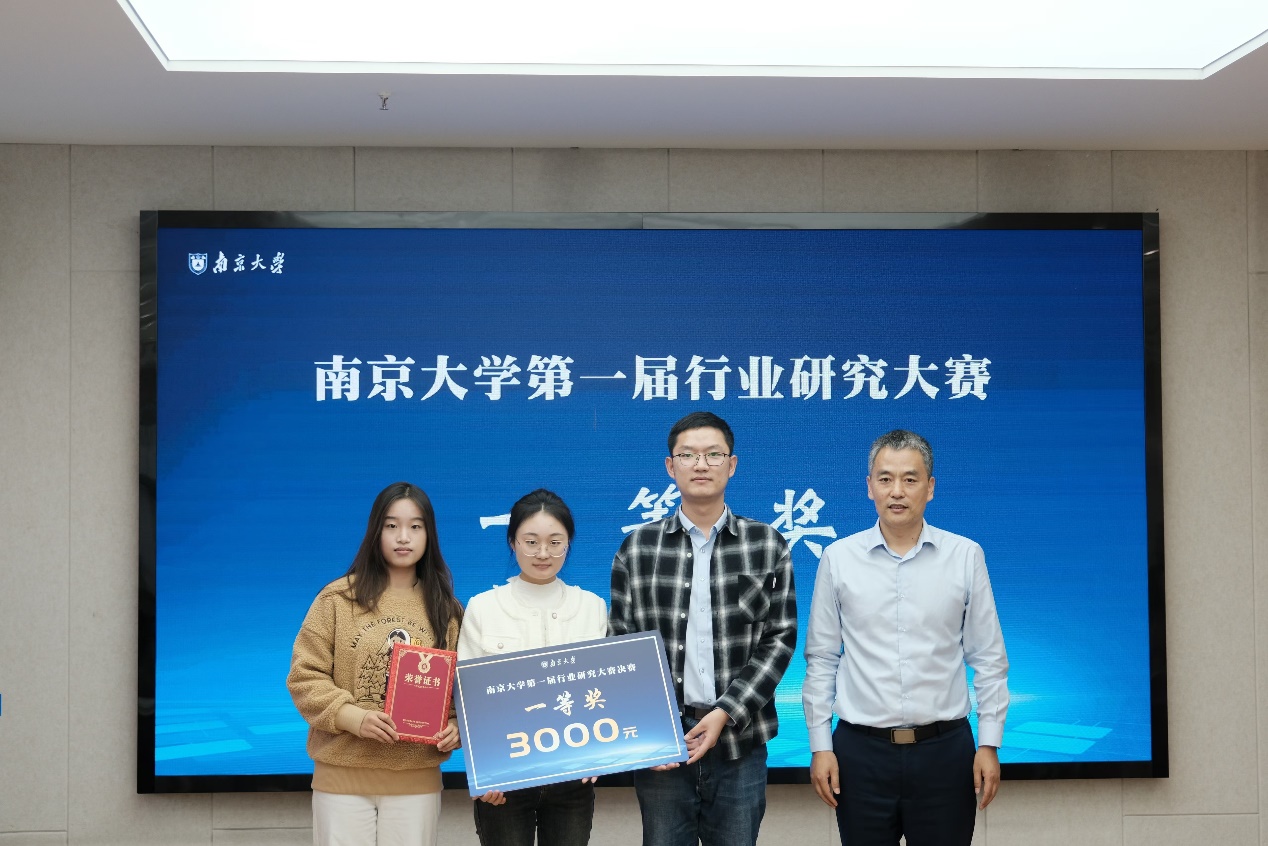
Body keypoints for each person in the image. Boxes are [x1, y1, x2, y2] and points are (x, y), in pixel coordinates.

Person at [802, 430, 1010, 846]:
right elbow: (822, 658)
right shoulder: (838, 558)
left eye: (910, 479)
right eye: (885, 478)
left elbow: (988, 657)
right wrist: (820, 746)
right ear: (870, 487)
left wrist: (989, 743)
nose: (897, 491)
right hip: (861, 754)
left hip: (945, 752)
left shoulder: (965, 555)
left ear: (929, 488)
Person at [609, 411, 797, 846]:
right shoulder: (638, 547)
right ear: (670, 466)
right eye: (688, 455)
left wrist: (725, 711)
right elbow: (620, 643)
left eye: (713, 454)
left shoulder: (766, 543)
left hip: (740, 742)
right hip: (664, 746)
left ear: (732, 465)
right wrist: (647, 731)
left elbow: (780, 638)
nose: (700, 464)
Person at [288, 482, 464, 846]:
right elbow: (304, 678)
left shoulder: (446, 609)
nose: (403, 537)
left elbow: (463, 691)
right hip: (341, 777)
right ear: (375, 531)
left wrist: (456, 726)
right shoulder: (337, 599)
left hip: (416, 779)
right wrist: (354, 717)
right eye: (391, 525)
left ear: (429, 534)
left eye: (415, 526)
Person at [458, 488, 608, 846]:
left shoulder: (592, 607)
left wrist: (603, 752)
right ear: (512, 542)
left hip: (573, 777)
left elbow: (605, 689)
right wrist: (483, 771)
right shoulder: (483, 607)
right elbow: (467, 696)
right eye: (531, 542)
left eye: (555, 542)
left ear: (568, 543)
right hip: (504, 779)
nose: (543, 553)